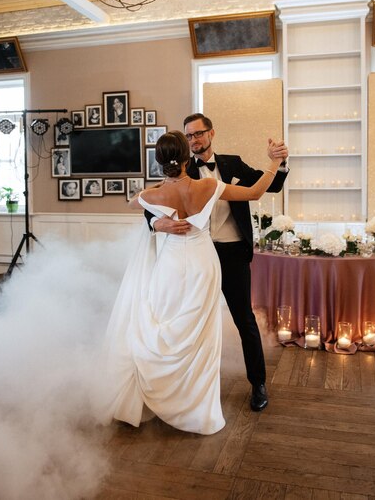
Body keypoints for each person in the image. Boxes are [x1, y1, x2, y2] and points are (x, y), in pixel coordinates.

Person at [104, 130, 286, 435]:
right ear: (188, 158)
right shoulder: (209, 185)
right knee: (201, 333)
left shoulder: (151, 195)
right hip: (204, 263)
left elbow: (132, 203)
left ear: (159, 161)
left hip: (174, 265)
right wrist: (273, 162)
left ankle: (168, 392)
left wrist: (161, 195)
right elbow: (255, 193)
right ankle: (195, 403)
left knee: (166, 325)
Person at [146, 114, 289, 413]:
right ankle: (186, 386)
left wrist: (279, 162)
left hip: (233, 253)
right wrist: (159, 225)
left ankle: (258, 384)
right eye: (189, 136)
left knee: (244, 320)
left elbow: (268, 187)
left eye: (198, 134)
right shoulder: (180, 170)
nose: (194, 140)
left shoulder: (233, 164)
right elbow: (152, 204)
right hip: (195, 257)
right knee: (187, 321)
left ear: (212, 133)